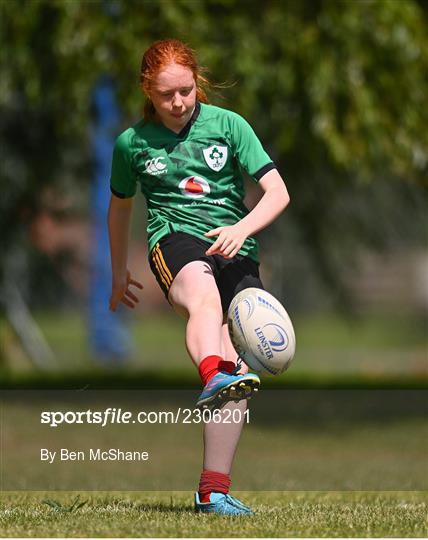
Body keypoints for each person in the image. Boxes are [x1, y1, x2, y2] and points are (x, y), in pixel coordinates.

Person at [108, 39, 290, 515]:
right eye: (166, 95)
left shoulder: (229, 126)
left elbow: (277, 192)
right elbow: (119, 207)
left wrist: (241, 228)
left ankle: (213, 491)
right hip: (175, 242)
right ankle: (211, 374)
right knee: (205, 304)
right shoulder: (132, 144)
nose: (178, 103)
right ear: (148, 91)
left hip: (235, 249)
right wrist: (117, 272)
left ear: (197, 82)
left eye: (185, 91)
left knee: (239, 379)